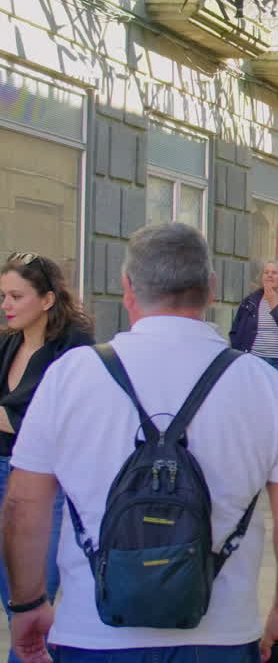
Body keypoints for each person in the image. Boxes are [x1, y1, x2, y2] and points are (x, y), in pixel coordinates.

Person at [0, 223, 278, 663]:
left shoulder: (71, 375)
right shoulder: (261, 383)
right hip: (220, 636)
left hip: (92, 633)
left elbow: (23, 505)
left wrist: (28, 603)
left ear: (127, 289)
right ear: (211, 289)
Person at [0, 253, 93, 663]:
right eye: (3, 295)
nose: (6, 305)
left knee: (30, 604)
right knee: (12, 602)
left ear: (48, 299)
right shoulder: (7, 342)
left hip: (44, 485)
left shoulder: (74, 348)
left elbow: (62, 426)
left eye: (16, 296)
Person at [229, 261, 278, 387]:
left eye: (274, 273)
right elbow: (236, 330)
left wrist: (274, 304)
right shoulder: (250, 301)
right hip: (254, 361)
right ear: (261, 277)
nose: (269, 275)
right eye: (266, 272)